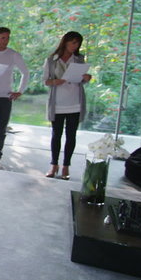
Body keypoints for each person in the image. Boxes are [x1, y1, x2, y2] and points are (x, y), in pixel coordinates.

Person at [43, 31, 92, 180]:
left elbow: (83, 79)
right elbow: (45, 81)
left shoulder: (79, 59)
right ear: (65, 42)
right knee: (56, 135)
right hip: (57, 103)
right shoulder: (52, 60)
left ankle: (66, 166)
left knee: (71, 136)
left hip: (75, 103)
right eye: (73, 42)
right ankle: (54, 164)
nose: (75, 46)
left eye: (77, 43)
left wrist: (86, 78)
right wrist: (55, 82)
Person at [0, 27, 29, 168]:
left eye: (8, 38)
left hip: (5, 97)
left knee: (2, 129)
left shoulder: (13, 54)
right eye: (2, 38)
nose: (5, 40)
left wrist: (20, 91)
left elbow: (25, 72)